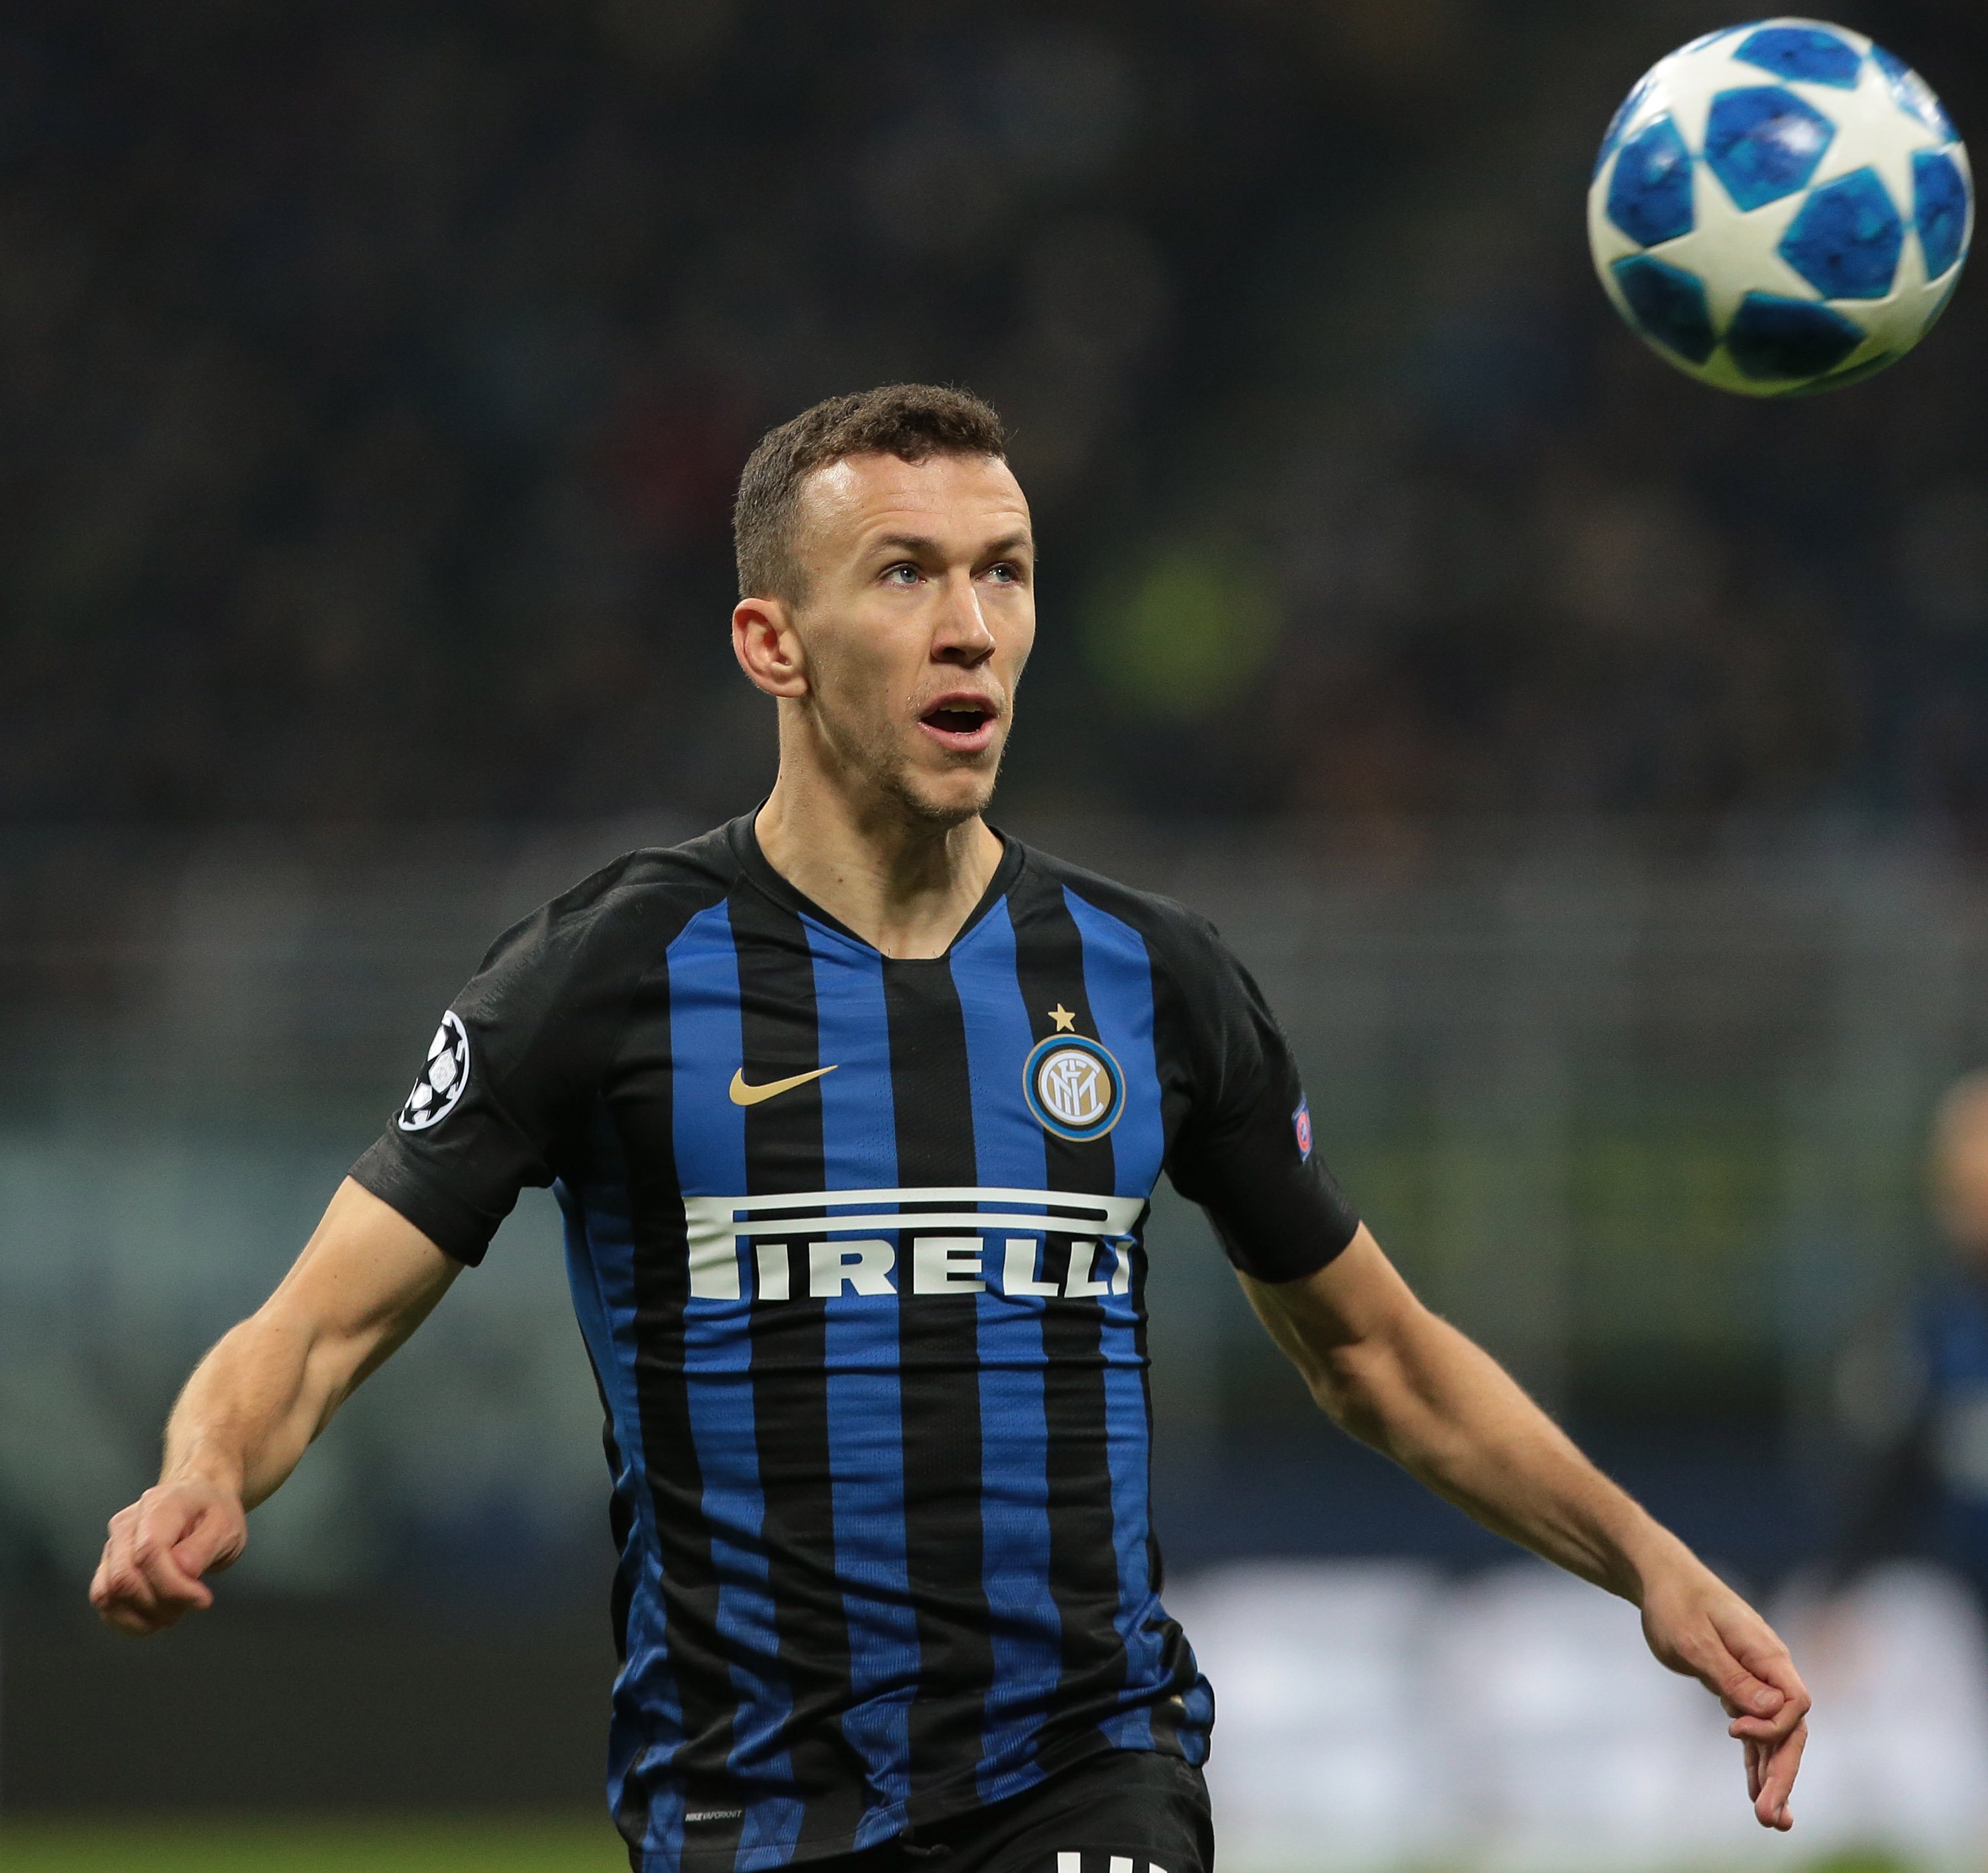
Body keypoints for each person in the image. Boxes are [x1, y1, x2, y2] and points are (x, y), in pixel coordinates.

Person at [90, 384, 1808, 1873]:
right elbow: (315, 1327)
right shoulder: (606, 974)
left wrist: (1649, 1562)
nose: (969, 624)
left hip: (1085, 1772)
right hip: (739, 1804)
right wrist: (201, 1474)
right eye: (904, 574)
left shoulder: (1156, 981)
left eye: (1003, 573)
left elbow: (1384, 1355)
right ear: (774, 639)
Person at [1832, 1070, 1988, 1607]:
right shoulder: (1928, 1331)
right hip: (1955, 1629)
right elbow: (1880, 1493)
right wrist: (1841, 1588)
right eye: (1959, 1185)